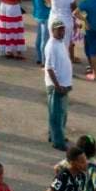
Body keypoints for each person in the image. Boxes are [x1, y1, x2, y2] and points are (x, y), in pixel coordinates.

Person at [42, 20, 73, 149]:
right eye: (59, 29)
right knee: (56, 114)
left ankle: (54, 134)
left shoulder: (59, 43)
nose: (62, 32)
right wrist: (57, 85)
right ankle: (58, 142)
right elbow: (48, 68)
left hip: (64, 84)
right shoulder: (51, 46)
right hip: (56, 86)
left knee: (62, 113)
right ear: (52, 30)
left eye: (63, 29)